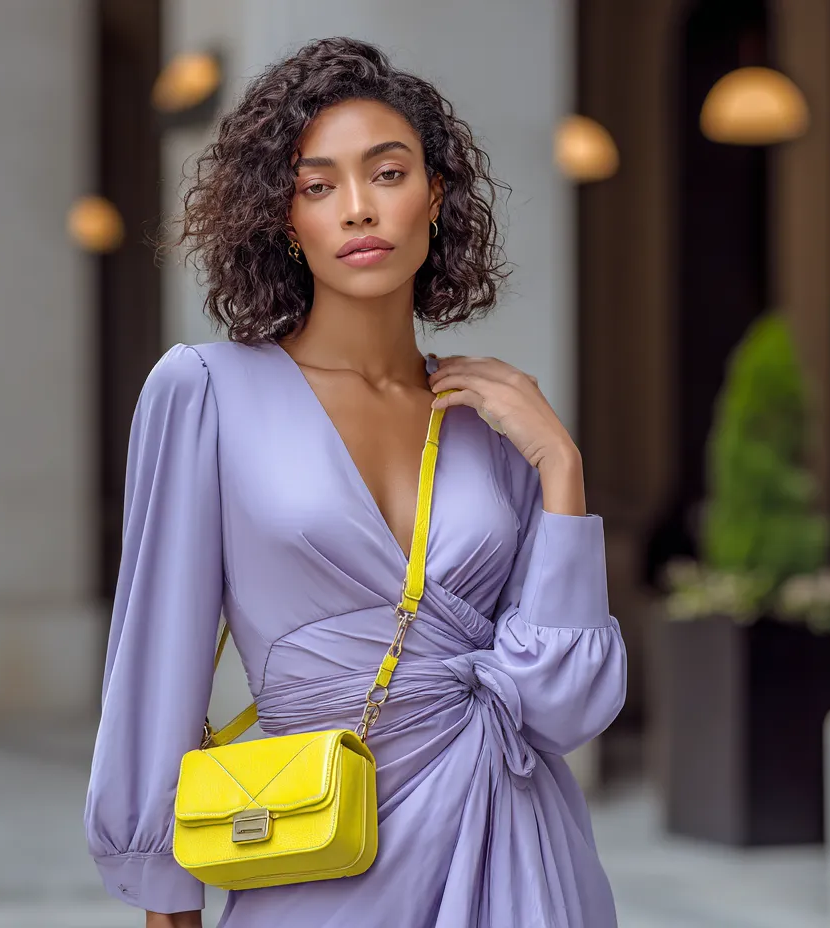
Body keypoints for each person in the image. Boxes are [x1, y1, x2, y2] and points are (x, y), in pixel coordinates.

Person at [84, 36, 627, 928]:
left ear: (435, 194)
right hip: (320, 854)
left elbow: (561, 709)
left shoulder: (493, 422)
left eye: (387, 172)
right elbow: (157, 660)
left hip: (515, 853)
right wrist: (163, 895)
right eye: (317, 185)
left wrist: (562, 471)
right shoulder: (209, 392)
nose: (357, 210)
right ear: (282, 217)